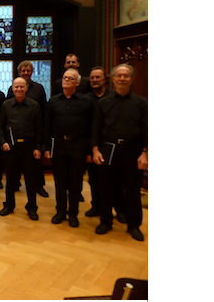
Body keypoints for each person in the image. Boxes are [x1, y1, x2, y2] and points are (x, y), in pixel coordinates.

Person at [91, 64, 148, 242]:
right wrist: (95, 150)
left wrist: (145, 153)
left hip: (133, 151)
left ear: (132, 79)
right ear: (113, 79)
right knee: (106, 189)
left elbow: (146, 130)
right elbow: (96, 128)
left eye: (126, 76)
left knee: (132, 191)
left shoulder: (142, 103)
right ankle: (106, 221)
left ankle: (134, 225)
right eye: (119, 76)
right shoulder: (103, 103)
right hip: (108, 149)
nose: (122, 78)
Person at [44, 69, 94, 228]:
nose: (66, 80)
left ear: (77, 83)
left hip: (78, 146)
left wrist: (89, 151)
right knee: (59, 181)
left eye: (70, 78)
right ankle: (60, 211)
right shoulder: (53, 101)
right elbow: (48, 125)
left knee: (75, 182)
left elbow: (91, 127)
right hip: (59, 145)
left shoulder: (86, 102)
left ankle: (73, 214)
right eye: (65, 77)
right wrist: (47, 147)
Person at [0, 78, 43, 220]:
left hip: (28, 146)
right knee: (11, 178)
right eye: (16, 87)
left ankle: (32, 208)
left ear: (26, 88)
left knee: (31, 179)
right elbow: (0, 127)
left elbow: (39, 128)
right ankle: (9, 205)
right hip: (11, 147)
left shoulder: (34, 105)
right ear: (12, 88)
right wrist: (3, 142)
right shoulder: (6, 105)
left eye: (21, 87)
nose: (19, 89)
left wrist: (38, 147)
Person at [84, 66, 116, 219]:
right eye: (92, 78)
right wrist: (89, 150)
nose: (95, 80)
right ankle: (96, 206)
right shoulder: (86, 99)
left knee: (114, 180)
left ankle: (119, 209)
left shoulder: (114, 97)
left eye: (98, 77)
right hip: (92, 144)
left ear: (105, 79)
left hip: (111, 144)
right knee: (94, 179)